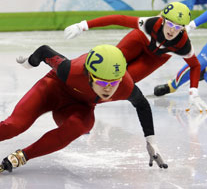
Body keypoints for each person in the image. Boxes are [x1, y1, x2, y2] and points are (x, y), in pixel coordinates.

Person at [0, 44, 168, 173]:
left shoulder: (125, 86)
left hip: (77, 108)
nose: (108, 89)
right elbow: (44, 51)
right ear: (89, 75)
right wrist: (30, 62)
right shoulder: (70, 70)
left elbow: (143, 105)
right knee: (14, 126)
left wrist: (151, 141)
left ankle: (21, 157)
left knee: (84, 124)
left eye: (114, 82)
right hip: (52, 90)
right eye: (102, 82)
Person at [64, 2, 207, 112]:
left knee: (122, 84)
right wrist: (83, 25)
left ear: (184, 28)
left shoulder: (183, 45)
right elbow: (118, 19)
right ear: (163, 19)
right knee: (108, 66)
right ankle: (72, 83)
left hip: (155, 59)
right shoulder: (150, 24)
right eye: (170, 23)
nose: (172, 30)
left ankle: (85, 106)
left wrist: (193, 91)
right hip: (138, 41)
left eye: (178, 27)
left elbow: (195, 65)